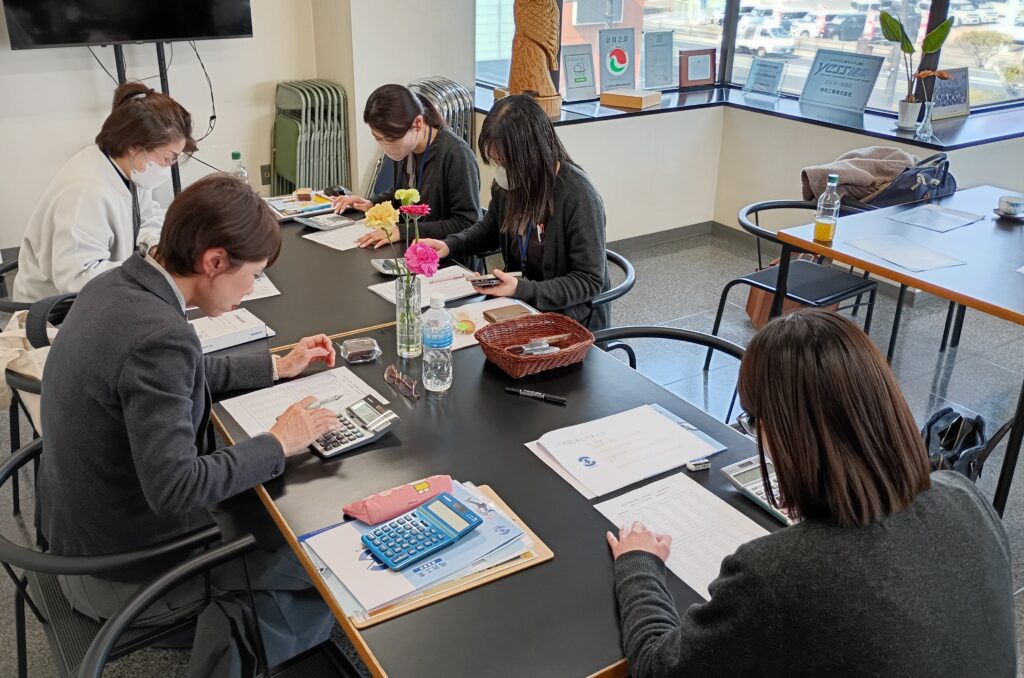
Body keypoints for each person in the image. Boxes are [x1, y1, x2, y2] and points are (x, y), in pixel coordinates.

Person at [37, 174, 341, 677]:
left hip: (76, 539)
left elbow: (174, 376)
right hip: (128, 577)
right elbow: (176, 488)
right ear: (215, 261)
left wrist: (274, 366)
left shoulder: (118, 285)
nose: (252, 289)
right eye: (253, 275)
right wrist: (278, 441)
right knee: (321, 558)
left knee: (268, 508)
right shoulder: (158, 336)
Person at [607, 310, 1016, 677]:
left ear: (783, 433)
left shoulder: (774, 573)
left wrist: (638, 563)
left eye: (753, 421)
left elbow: (659, 667)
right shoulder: (965, 497)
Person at [420, 95, 610, 330]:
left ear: (533, 154)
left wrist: (522, 289)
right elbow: (490, 229)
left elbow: (589, 280)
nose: (502, 171)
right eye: (497, 162)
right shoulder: (510, 184)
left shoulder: (578, 197)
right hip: (520, 305)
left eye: (506, 162)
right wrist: (450, 245)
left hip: (568, 319)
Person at [14, 81, 195, 301]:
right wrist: (148, 272)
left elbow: (148, 216)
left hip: (100, 295)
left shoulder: (130, 169)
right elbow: (78, 278)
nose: (169, 167)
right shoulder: (85, 189)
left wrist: (157, 248)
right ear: (135, 147)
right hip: (55, 310)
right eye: (168, 158)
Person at [330, 83, 481, 250]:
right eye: (378, 138)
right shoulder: (407, 148)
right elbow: (403, 194)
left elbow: (467, 223)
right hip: (409, 247)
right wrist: (372, 204)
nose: (386, 147)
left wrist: (403, 231)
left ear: (417, 123)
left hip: (444, 255)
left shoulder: (456, 154)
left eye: (391, 140)